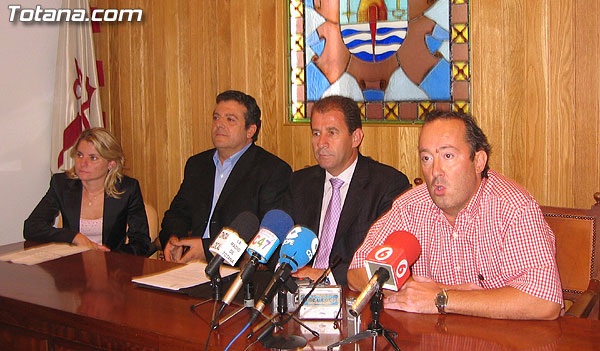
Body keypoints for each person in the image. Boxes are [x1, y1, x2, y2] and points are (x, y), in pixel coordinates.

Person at [347, 111, 563, 320]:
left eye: (448, 156)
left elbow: (545, 301)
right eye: (426, 158)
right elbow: (356, 271)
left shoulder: (513, 207)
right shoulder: (409, 207)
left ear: (478, 161)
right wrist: (413, 291)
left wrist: (442, 298)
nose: (436, 171)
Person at [289, 96, 410, 285]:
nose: (321, 143)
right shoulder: (299, 183)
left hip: (351, 293)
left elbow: (382, 259)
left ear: (356, 138)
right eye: (316, 133)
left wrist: (324, 275)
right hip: (298, 289)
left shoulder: (387, 185)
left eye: (332, 132)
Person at [159, 90, 292, 263]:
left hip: (236, 270)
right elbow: (177, 213)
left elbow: (266, 237)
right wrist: (174, 240)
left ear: (250, 130)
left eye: (230, 119)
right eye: (216, 117)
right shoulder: (197, 164)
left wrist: (209, 250)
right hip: (189, 264)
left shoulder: (272, 170)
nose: (219, 124)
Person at [24, 128, 151, 256]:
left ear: (111, 163)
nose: (83, 163)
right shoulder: (62, 184)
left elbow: (141, 242)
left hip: (113, 266)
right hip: (73, 264)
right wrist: (75, 237)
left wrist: (108, 256)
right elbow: (31, 227)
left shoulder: (127, 188)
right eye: (79, 155)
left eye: (93, 158)